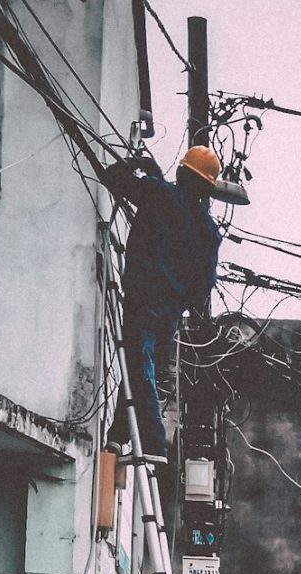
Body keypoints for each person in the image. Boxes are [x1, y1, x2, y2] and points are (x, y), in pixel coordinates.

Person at [103, 145, 247, 464]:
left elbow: (113, 178)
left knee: (138, 365)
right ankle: (117, 435)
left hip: (142, 296)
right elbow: (203, 287)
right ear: (208, 188)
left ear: (182, 172)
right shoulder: (209, 232)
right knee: (141, 366)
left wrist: (135, 163)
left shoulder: (159, 195)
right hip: (169, 311)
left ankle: (154, 441)